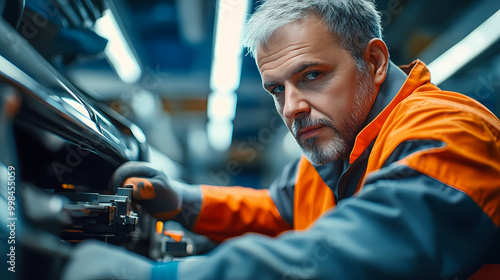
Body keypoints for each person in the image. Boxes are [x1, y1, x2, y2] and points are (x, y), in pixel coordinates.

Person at [62, 0, 500, 279]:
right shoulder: (335, 151)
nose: (291, 107)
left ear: (375, 61)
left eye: (312, 76)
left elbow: (355, 255)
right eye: (277, 90)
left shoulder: (448, 134)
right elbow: (275, 211)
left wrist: (159, 278)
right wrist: (184, 200)